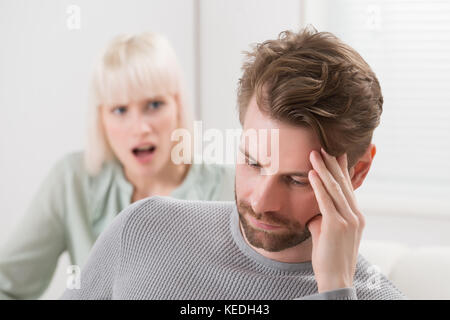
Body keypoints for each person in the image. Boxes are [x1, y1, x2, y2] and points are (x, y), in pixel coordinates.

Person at [60, 26, 406, 300]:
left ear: (357, 172)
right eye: (252, 163)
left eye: (298, 180)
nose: (259, 201)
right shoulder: (142, 230)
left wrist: (334, 290)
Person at [0, 32, 234, 300]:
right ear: (100, 118)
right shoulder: (71, 181)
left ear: (178, 106)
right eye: (120, 110)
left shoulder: (233, 189)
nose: (140, 128)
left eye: (154, 105)